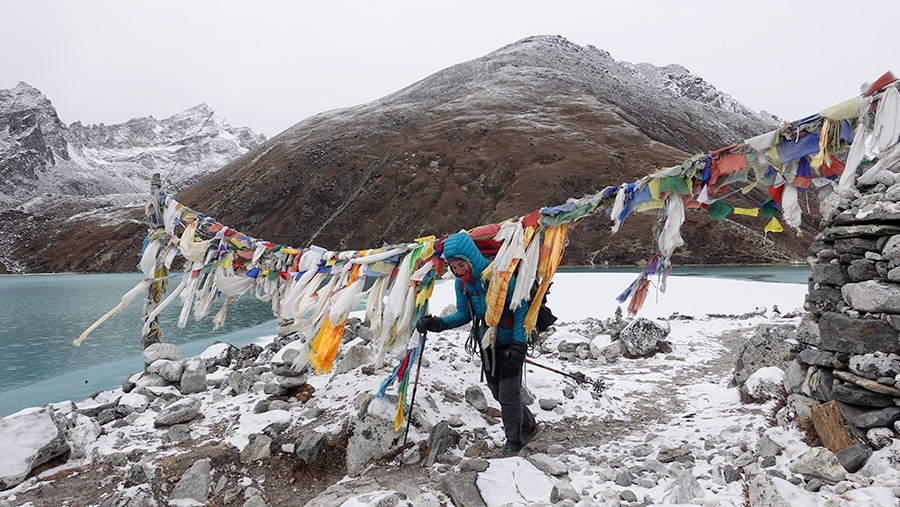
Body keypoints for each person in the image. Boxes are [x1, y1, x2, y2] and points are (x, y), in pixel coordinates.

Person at [416, 231, 541, 457]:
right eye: (453, 267)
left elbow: (520, 306)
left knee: (508, 397)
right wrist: (437, 323)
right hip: (487, 344)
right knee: (497, 393)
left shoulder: (499, 275)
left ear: (470, 258)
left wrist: (519, 344)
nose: (458, 271)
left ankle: (514, 444)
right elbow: (464, 315)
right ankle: (529, 426)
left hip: (511, 342)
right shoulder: (462, 285)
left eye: (461, 265)